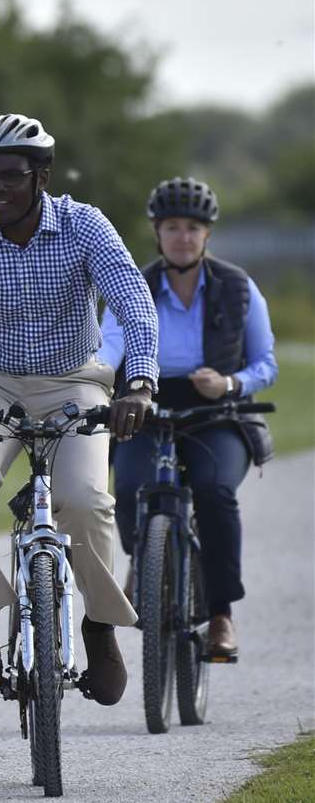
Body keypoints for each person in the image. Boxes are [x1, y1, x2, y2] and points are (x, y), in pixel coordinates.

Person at [0, 113, 160, 705]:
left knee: (83, 499)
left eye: (10, 177)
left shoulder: (84, 227)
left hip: (74, 381)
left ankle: (99, 629)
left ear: (41, 176)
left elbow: (134, 303)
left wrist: (140, 384)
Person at [100, 176, 277, 657]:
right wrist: (97, 377)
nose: (182, 236)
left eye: (193, 228)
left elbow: (266, 363)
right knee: (132, 487)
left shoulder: (239, 288)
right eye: (172, 227)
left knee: (214, 491)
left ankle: (221, 614)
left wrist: (230, 384)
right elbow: (111, 345)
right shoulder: (133, 285)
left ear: (207, 235)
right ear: (157, 232)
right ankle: (145, 558)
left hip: (218, 410)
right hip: (146, 405)